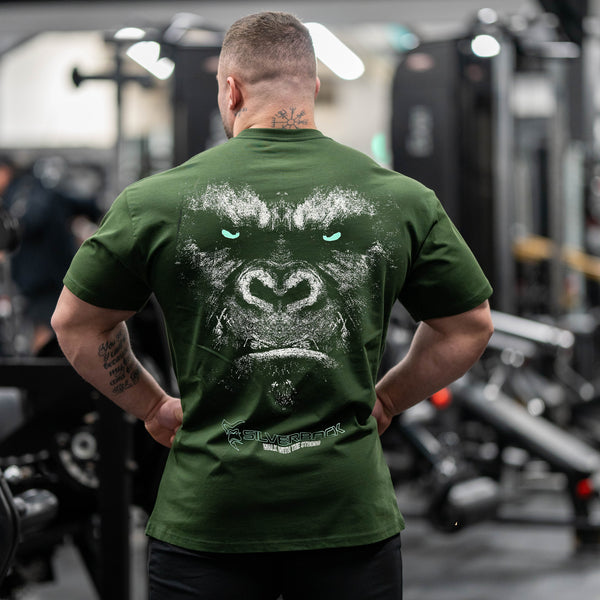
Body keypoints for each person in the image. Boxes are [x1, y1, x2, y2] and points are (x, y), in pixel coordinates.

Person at [51, 11, 494, 600]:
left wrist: (152, 406)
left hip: (208, 523)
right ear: (313, 86)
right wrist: (388, 398)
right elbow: (467, 327)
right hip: (346, 521)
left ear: (230, 90)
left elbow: (76, 325)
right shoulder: (402, 199)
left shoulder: (153, 201)